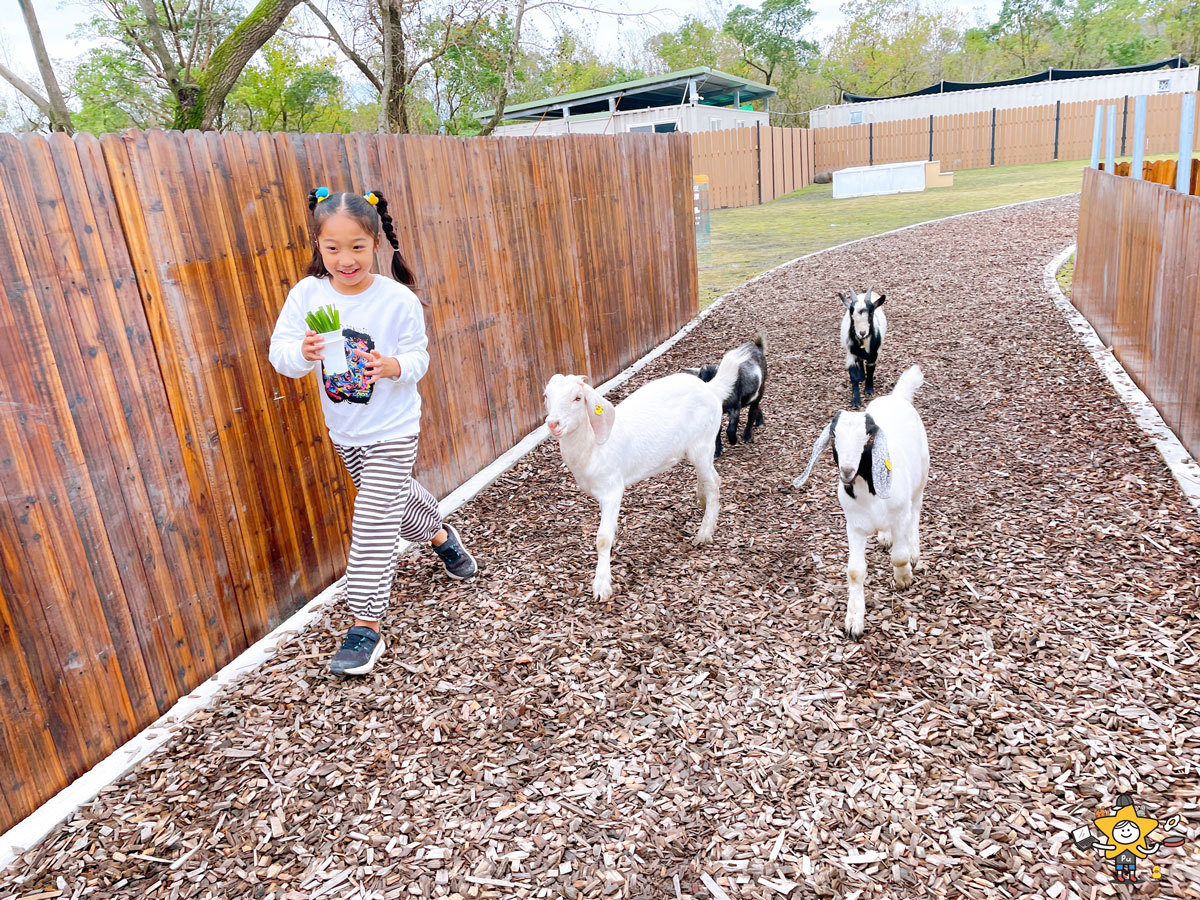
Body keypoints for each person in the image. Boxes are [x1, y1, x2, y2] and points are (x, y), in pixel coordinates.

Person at [269, 187, 477, 676]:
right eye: (333, 247)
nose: (346, 258)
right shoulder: (307, 295)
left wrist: (391, 366)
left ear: (376, 241)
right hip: (346, 429)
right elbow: (281, 354)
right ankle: (442, 536)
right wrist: (303, 353)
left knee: (373, 519)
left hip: (394, 427)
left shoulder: (396, 299)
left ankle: (366, 624)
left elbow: (419, 357)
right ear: (318, 246)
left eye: (357, 246)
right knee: (395, 502)